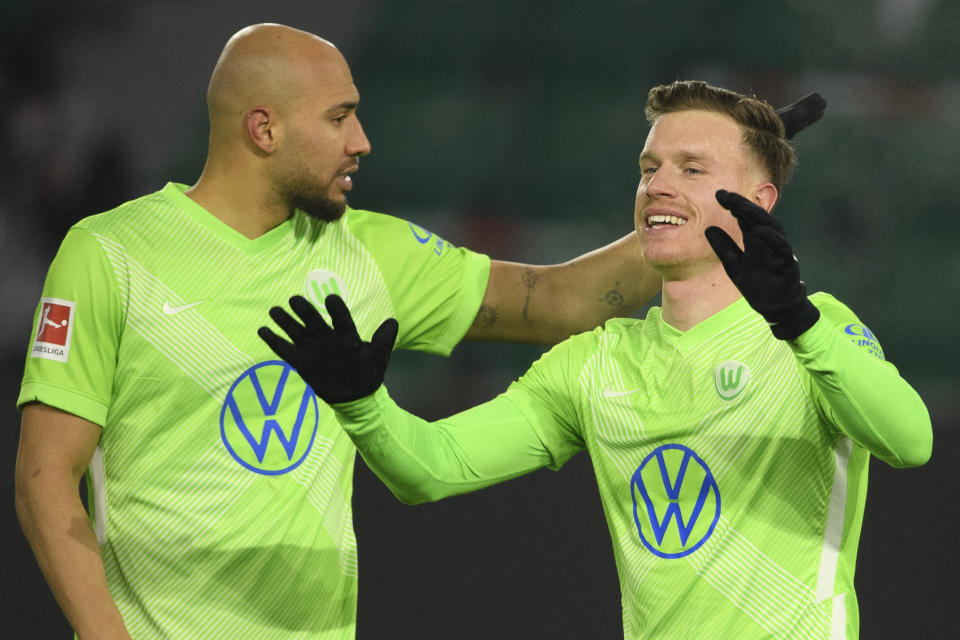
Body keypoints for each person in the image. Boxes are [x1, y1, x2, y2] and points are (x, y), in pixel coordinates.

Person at [14, 21, 823, 638]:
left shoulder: (372, 253)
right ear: (264, 130)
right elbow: (47, 480)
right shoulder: (112, 254)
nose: (363, 141)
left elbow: (558, 303)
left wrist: (712, 207)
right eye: (340, 119)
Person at [261, 80, 932, 639]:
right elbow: (432, 468)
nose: (658, 186)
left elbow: (911, 440)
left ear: (759, 203)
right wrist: (362, 404)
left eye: (691, 169)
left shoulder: (817, 331)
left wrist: (798, 321)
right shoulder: (593, 364)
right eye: (649, 169)